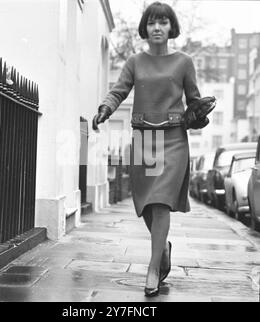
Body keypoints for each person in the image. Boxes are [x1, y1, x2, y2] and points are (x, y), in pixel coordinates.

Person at [93, 1, 212, 297]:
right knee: (145, 203)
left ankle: (152, 268)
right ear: (144, 29)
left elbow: (194, 99)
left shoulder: (184, 62)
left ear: (172, 28)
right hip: (144, 137)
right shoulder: (135, 62)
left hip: (173, 138)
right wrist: (106, 108)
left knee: (160, 202)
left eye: (163, 22)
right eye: (151, 23)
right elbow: (119, 89)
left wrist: (198, 113)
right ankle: (164, 251)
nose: (157, 27)